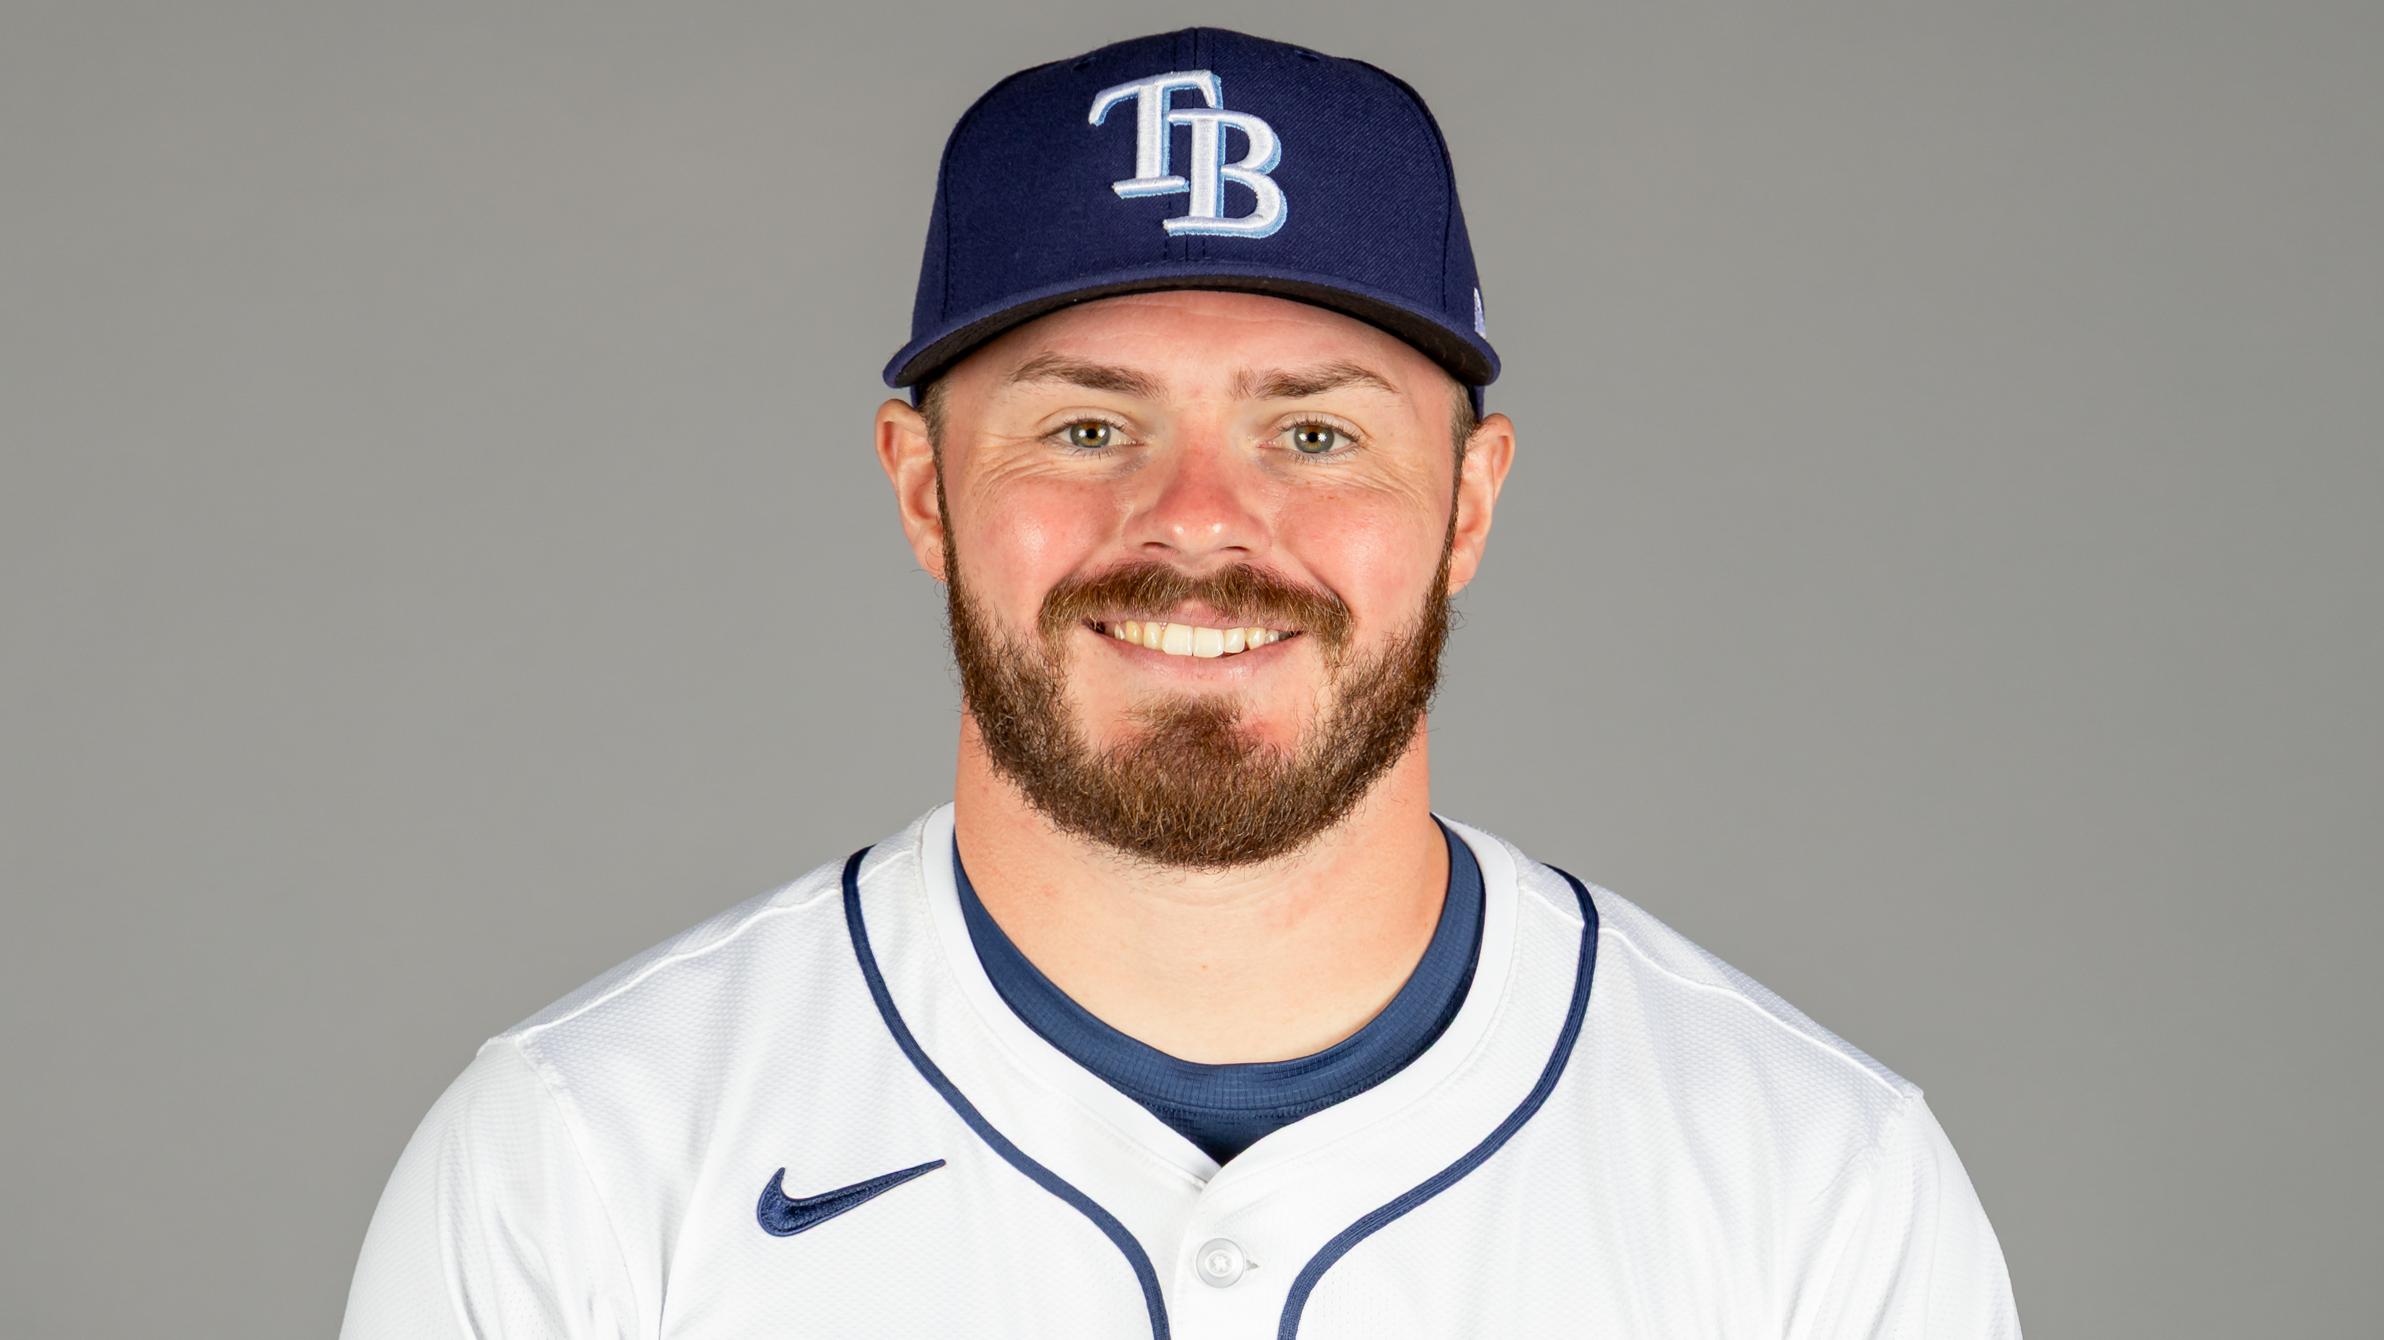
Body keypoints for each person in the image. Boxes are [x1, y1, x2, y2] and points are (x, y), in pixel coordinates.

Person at [343, 26, 2019, 1338]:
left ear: (1472, 499)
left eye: (1315, 431)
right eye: (1089, 426)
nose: (1203, 525)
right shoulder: (576, 1174)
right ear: (925, 489)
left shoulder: (1811, 1192)